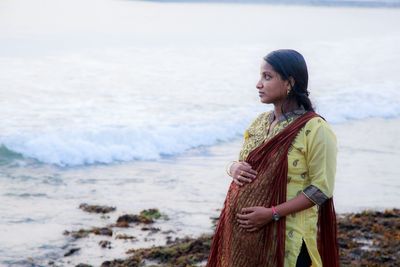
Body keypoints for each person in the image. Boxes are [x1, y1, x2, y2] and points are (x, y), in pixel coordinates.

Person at [206, 49, 339, 267]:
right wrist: (232, 167)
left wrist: (272, 213)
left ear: (290, 82)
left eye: (267, 77)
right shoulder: (259, 123)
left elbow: (321, 189)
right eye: (260, 77)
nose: (259, 84)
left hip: (289, 238)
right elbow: (243, 164)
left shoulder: (316, 129)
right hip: (245, 240)